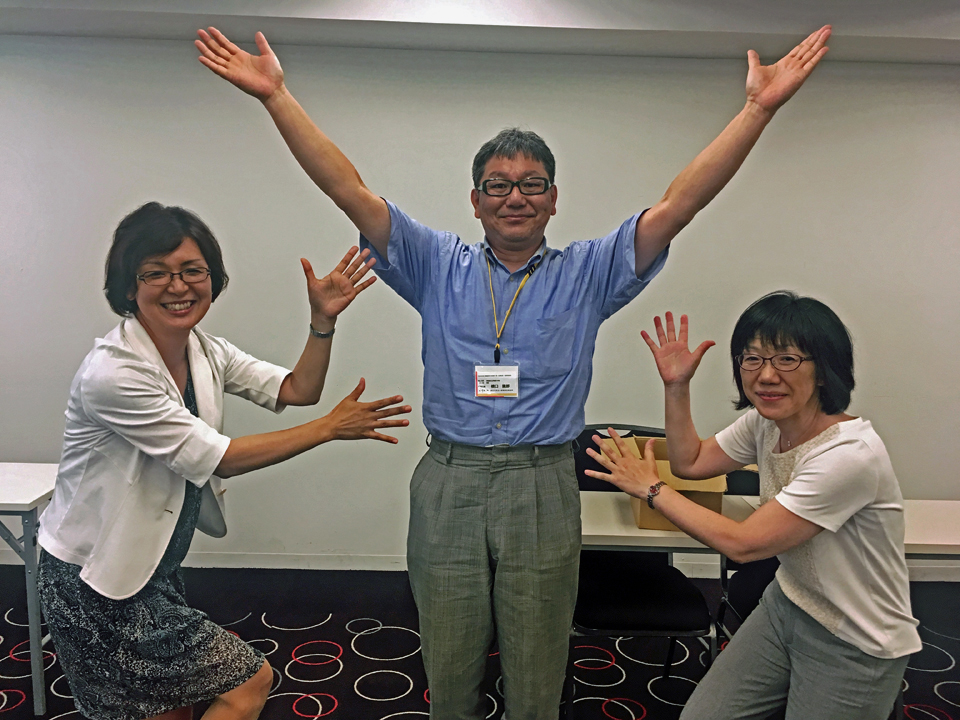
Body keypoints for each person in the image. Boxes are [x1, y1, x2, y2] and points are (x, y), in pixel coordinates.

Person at [195, 26, 832, 719]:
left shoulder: (588, 272)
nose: (514, 197)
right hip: (450, 479)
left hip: (542, 481)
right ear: (475, 201)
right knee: (448, 662)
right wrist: (276, 96)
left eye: (532, 185)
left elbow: (680, 203)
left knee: (537, 668)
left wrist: (757, 110)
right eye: (497, 186)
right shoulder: (436, 264)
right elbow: (349, 189)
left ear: (554, 199)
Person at [37, 202, 411, 720]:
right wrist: (329, 429)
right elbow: (222, 458)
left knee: (173, 707)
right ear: (128, 286)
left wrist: (322, 322)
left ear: (213, 278)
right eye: (156, 273)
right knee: (247, 682)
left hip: (151, 567)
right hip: (94, 579)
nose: (178, 286)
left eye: (193, 270)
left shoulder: (203, 350)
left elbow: (297, 389)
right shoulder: (113, 374)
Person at [587, 292, 921, 720]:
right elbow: (691, 462)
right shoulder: (766, 423)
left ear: (824, 369)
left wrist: (652, 489)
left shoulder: (848, 456)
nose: (765, 375)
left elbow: (743, 544)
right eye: (752, 358)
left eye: (787, 359)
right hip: (789, 603)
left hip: (855, 637)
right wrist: (676, 386)